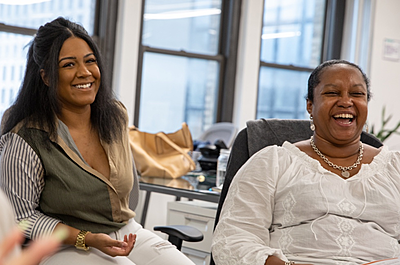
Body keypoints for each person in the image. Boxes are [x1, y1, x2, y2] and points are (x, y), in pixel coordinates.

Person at [0, 17, 194, 265]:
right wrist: (86, 238)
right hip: (60, 245)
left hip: (126, 232)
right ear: (47, 77)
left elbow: (129, 196)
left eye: (90, 61)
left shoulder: (115, 116)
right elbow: (22, 218)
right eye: (69, 64)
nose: (84, 72)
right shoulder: (25, 137)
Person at [211, 59, 400, 265]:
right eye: (332, 93)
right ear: (310, 105)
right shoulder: (272, 162)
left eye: (356, 94)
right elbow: (232, 240)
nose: (346, 101)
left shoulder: (395, 167)